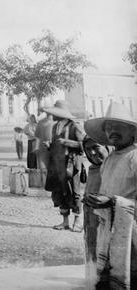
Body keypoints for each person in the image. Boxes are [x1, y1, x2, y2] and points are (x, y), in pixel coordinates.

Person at [83, 101, 137, 289]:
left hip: (131, 233)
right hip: (110, 231)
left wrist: (113, 201)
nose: (113, 131)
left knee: (130, 275)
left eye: (119, 127)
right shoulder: (109, 160)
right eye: (109, 128)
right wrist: (97, 200)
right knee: (108, 276)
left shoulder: (134, 157)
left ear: (132, 131)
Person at [42, 99, 85, 232]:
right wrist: (49, 146)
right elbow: (56, 146)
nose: (52, 115)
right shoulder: (55, 127)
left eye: (54, 113)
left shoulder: (75, 126)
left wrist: (68, 142)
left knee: (75, 192)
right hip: (57, 166)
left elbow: (85, 145)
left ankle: (77, 222)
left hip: (71, 165)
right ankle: (65, 222)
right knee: (60, 192)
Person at [81, 136, 110, 287]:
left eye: (96, 147)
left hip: (109, 223)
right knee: (93, 250)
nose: (92, 153)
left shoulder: (114, 168)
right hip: (92, 221)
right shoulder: (92, 169)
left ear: (107, 147)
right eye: (87, 149)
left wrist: (108, 201)